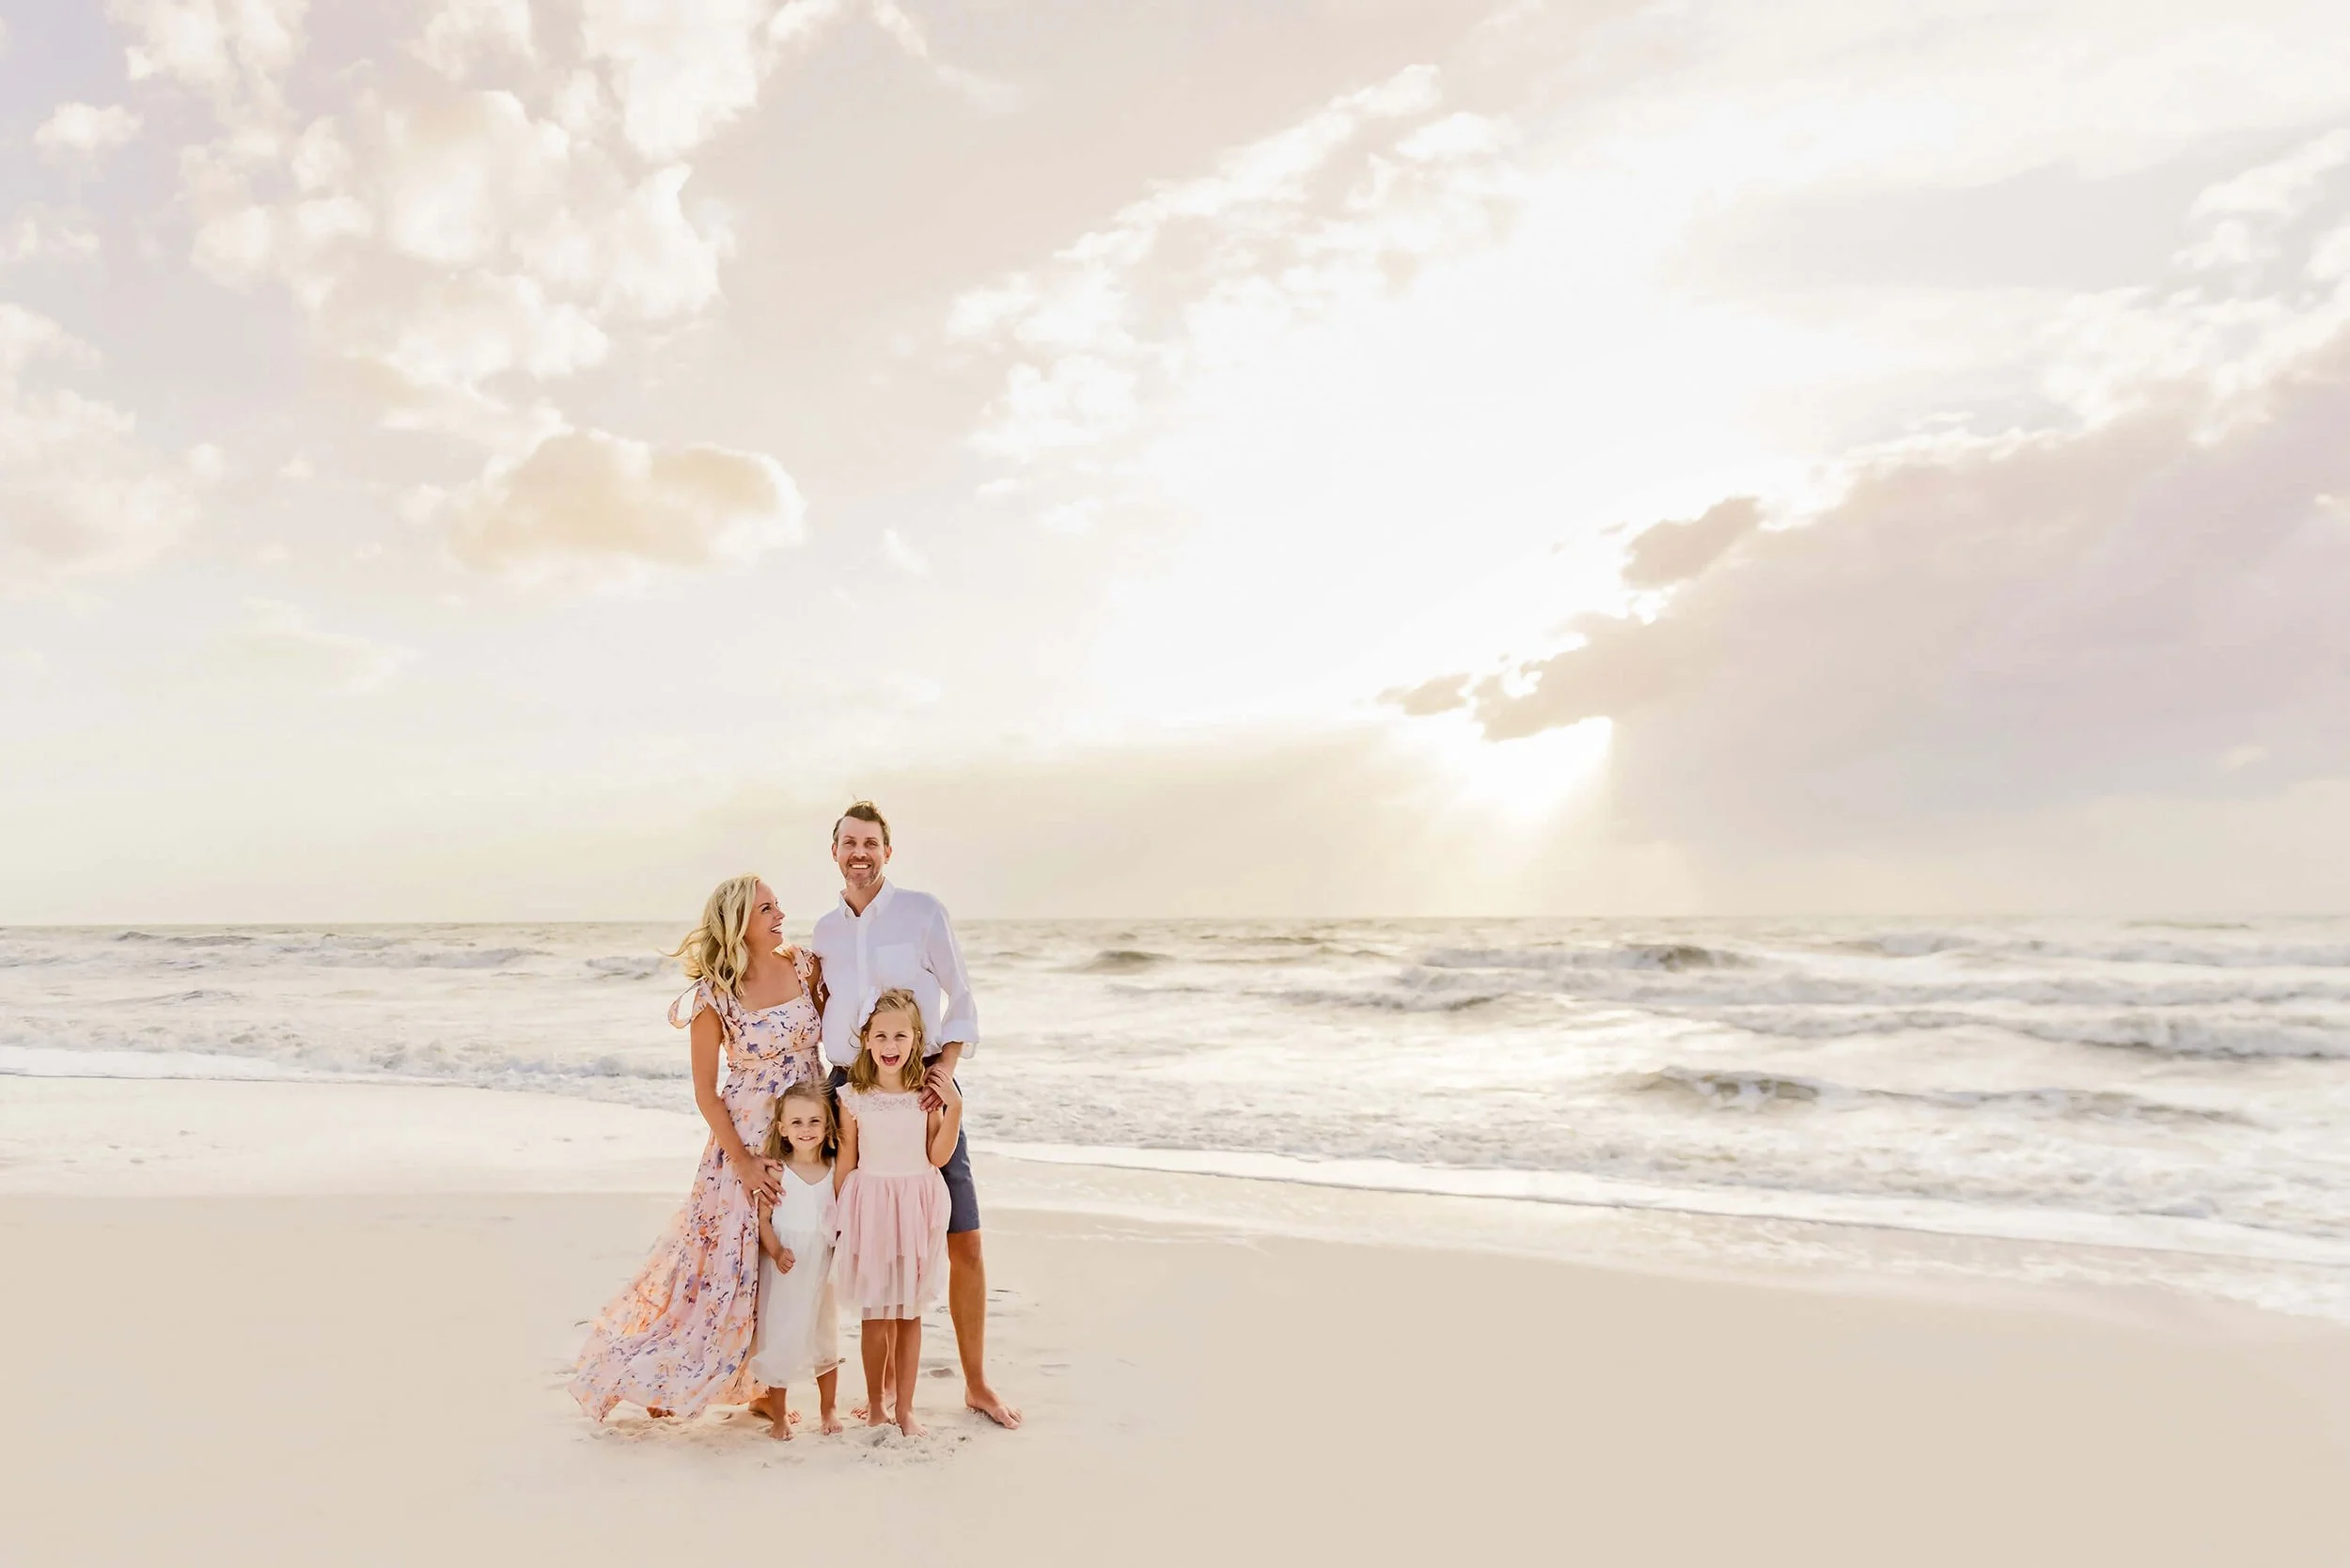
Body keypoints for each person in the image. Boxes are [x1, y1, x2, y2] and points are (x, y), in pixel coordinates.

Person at [569, 875, 823, 1421]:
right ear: (737, 923)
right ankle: (671, 1378)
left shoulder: (805, 966)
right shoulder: (714, 994)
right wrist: (746, 1162)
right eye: (765, 909)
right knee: (731, 1265)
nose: (780, 914)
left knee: (789, 1257)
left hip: (805, 1133)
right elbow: (706, 1093)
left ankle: (762, 1384)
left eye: (777, 905)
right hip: (747, 1141)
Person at [812, 801, 1020, 1429]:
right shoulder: (824, 929)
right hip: (849, 1089)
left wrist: (945, 1070)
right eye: (849, 842)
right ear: (835, 852)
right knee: (852, 1237)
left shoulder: (923, 912)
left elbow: (962, 995)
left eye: (871, 842)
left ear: (888, 851)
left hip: (922, 1091)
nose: (860, 853)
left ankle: (977, 1384)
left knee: (965, 1238)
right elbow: (820, 1001)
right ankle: (871, 1399)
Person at [832, 990, 959, 1437]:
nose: (890, 1044)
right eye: (881, 1035)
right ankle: (874, 1406)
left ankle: (905, 1408)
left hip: (917, 1205)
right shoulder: (853, 1097)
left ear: (915, 1040)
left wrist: (954, 1107)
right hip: (871, 1207)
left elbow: (939, 1157)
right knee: (875, 1314)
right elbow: (846, 1162)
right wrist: (839, 1220)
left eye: (900, 1035)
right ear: (866, 1040)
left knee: (910, 1314)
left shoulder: (925, 1096)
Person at [747, 1078, 844, 1440]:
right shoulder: (777, 1171)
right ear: (782, 1128)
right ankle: (779, 1414)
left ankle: (828, 1408)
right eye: (798, 1123)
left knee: (825, 1336)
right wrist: (775, 1251)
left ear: (827, 1126)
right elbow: (763, 1221)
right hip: (786, 1268)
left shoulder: (834, 1170)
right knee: (782, 1335)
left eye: (815, 1122)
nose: (806, 1130)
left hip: (821, 1265)